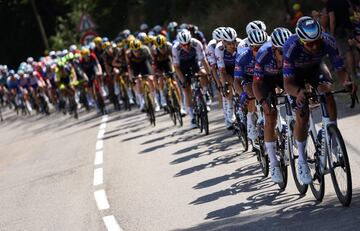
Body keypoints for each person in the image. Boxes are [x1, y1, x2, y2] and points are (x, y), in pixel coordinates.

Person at [283, 16, 357, 184]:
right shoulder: (290, 46)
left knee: (327, 93)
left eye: (317, 41)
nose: (315, 46)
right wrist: (299, 92)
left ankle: (332, 136)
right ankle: (301, 159)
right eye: (310, 44)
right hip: (295, 76)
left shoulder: (327, 41)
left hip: (315, 69)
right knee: (302, 115)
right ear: (301, 41)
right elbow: (287, 84)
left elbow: (340, 68)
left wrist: (346, 81)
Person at [253, 27, 292, 183]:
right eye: (281, 52)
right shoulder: (263, 53)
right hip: (266, 81)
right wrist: (263, 102)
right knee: (270, 116)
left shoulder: (291, 52)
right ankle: (274, 163)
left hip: (284, 76)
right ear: (274, 49)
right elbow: (256, 84)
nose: (285, 54)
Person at [234, 28, 269, 141]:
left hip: (264, 77)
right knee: (251, 94)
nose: (259, 51)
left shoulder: (270, 53)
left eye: (262, 47)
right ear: (250, 47)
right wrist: (242, 94)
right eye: (255, 48)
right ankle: (250, 120)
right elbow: (236, 81)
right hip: (248, 78)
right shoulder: (243, 56)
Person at [172, 29, 211, 128]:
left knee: (203, 74)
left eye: (188, 44)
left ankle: (205, 93)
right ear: (180, 43)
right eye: (183, 45)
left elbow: (203, 60)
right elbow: (176, 67)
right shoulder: (175, 48)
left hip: (194, 63)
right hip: (182, 67)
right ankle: (192, 116)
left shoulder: (196, 43)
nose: (186, 46)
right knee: (186, 89)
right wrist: (183, 81)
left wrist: (210, 75)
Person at [214, 27, 240, 130]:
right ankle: (229, 106)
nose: (233, 45)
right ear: (223, 42)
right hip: (227, 68)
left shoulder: (240, 43)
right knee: (229, 85)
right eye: (229, 44)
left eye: (234, 42)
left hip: (239, 67)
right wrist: (224, 85)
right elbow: (222, 71)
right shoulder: (218, 49)